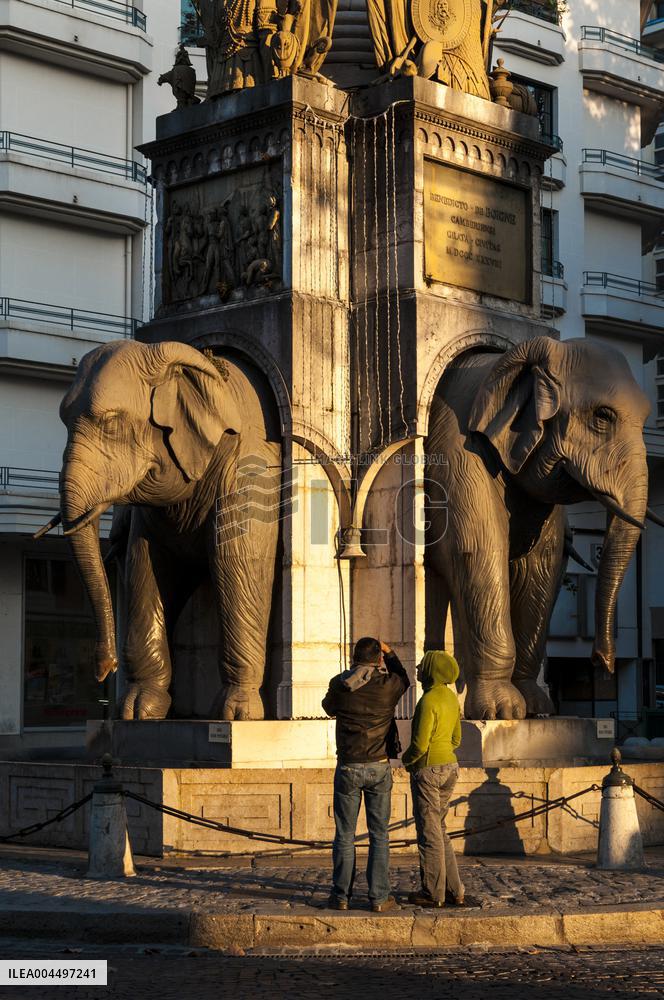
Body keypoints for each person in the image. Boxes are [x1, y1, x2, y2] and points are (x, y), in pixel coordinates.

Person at [322, 637, 410, 912]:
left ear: (353, 658)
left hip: (348, 764)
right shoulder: (388, 686)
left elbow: (328, 707)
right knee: (379, 835)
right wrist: (391, 652)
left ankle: (340, 896)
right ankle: (379, 898)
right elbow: (405, 678)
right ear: (379, 660)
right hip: (378, 764)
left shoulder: (340, 683)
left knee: (345, 835)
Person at [402, 649, 468, 908]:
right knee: (440, 830)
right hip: (450, 765)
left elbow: (419, 743)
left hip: (428, 768)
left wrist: (407, 761)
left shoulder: (428, 700)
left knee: (429, 832)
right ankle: (455, 890)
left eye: (422, 666)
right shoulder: (451, 698)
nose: (417, 668)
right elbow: (456, 739)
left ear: (432, 671)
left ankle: (433, 893)